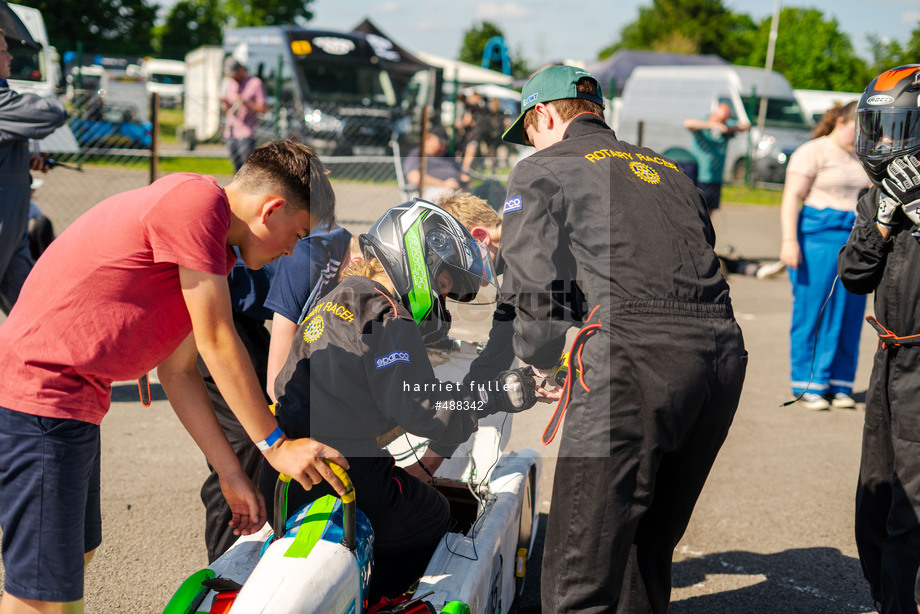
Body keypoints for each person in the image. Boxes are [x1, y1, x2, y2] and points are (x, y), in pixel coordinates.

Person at [0, 140, 351, 613]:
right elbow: (218, 339)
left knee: (73, 560)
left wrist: (231, 472)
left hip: (74, 402)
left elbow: (180, 371)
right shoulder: (198, 204)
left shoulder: (215, 247)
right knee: (40, 594)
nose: (292, 251)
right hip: (40, 397)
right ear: (271, 210)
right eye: (297, 233)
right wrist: (277, 446)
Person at [499, 65, 747, 613]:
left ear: (542, 114)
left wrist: (543, 358)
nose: (530, 143)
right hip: (720, 354)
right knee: (645, 550)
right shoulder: (668, 169)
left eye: (529, 129)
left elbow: (531, 285)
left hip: (634, 358)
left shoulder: (543, 167)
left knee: (579, 567)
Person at [261, 200, 539, 599]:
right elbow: (424, 410)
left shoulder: (346, 294)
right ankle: (383, 601)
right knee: (435, 513)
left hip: (284, 471)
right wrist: (498, 393)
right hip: (343, 471)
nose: (441, 301)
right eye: (443, 285)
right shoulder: (389, 316)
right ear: (418, 257)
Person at [200, 223, 357, 563]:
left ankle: (259, 544)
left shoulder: (344, 264)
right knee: (244, 441)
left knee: (263, 436)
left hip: (245, 319)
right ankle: (223, 567)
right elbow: (277, 381)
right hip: (211, 317)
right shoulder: (313, 258)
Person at [838, 64, 920, 614]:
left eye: (896, 128)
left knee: (910, 506)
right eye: (878, 128)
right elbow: (853, 275)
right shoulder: (879, 195)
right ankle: (883, 595)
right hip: (889, 359)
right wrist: (884, 221)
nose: (883, 141)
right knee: (875, 494)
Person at [778, 100, 869, 411]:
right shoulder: (812, 151)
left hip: (855, 240)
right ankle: (808, 383)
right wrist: (789, 240)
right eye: (857, 128)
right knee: (813, 311)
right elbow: (792, 197)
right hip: (817, 239)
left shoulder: (862, 155)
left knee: (850, 311)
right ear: (840, 123)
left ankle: (839, 383)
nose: (861, 135)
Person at [0, 30, 67, 315]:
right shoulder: (3, 102)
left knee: (33, 314)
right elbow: (51, 112)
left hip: (13, 225)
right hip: (4, 219)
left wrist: (24, 159)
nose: (10, 55)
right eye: (3, 51)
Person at [684, 102, 750, 214]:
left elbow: (745, 125)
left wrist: (728, 128)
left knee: (709, 214)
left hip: (715, 178)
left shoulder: (726, 124)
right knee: (694, 211)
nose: (722, 121)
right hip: (699, 176)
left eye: (724, 119)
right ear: (714, 113)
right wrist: (712, 125)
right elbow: (688, 123)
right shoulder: (703, 122)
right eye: (720, 118)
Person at [221, 57, 267, 171]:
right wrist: (225, 105)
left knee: (246, 168)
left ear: (241, 69)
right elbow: (228, 108)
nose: (233, 78)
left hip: (246, 132)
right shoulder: (230, 84)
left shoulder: (255, 83)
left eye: (234, 74)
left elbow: (263, 108)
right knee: (236, 168)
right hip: (231, 132)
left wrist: (246, 103)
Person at [403, 125, 470, 202]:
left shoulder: (449, 156)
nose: (443, 148)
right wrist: (443, 184)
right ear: (429, 138)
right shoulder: (418, 154)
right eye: (441, 143)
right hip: (428, 192)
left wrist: (463, 180)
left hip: (456, 191)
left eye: (445, 145)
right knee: (446, 195)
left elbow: (463, 176)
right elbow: (415, 178)